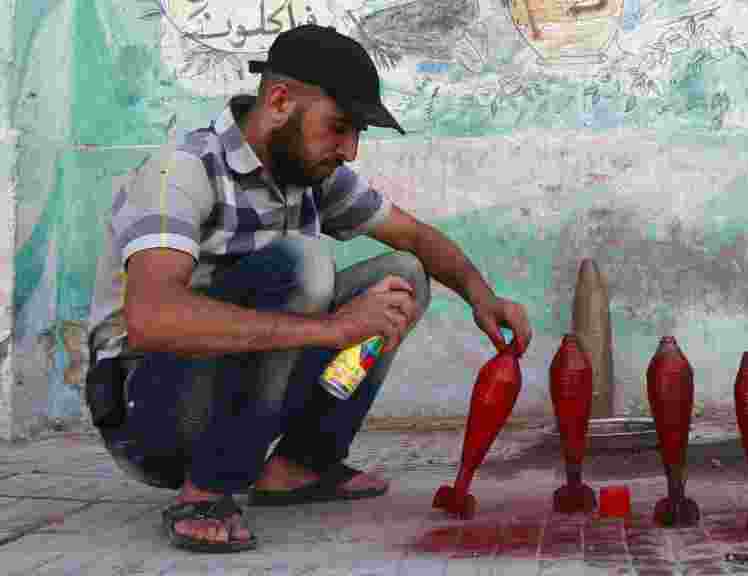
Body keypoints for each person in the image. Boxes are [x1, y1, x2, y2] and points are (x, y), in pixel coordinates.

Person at [84, 24, 532, 554]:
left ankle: (299, 465)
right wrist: (331, 329)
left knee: (402, 280)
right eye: (340, 127)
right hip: (150, 412)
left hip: (238, 388)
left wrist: (483, 296)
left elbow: (414, 236)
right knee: (304, 262)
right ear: (278, 101)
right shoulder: (182, 173)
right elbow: (151, 319)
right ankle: (205, 490)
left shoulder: (310, 175)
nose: (350, 151)